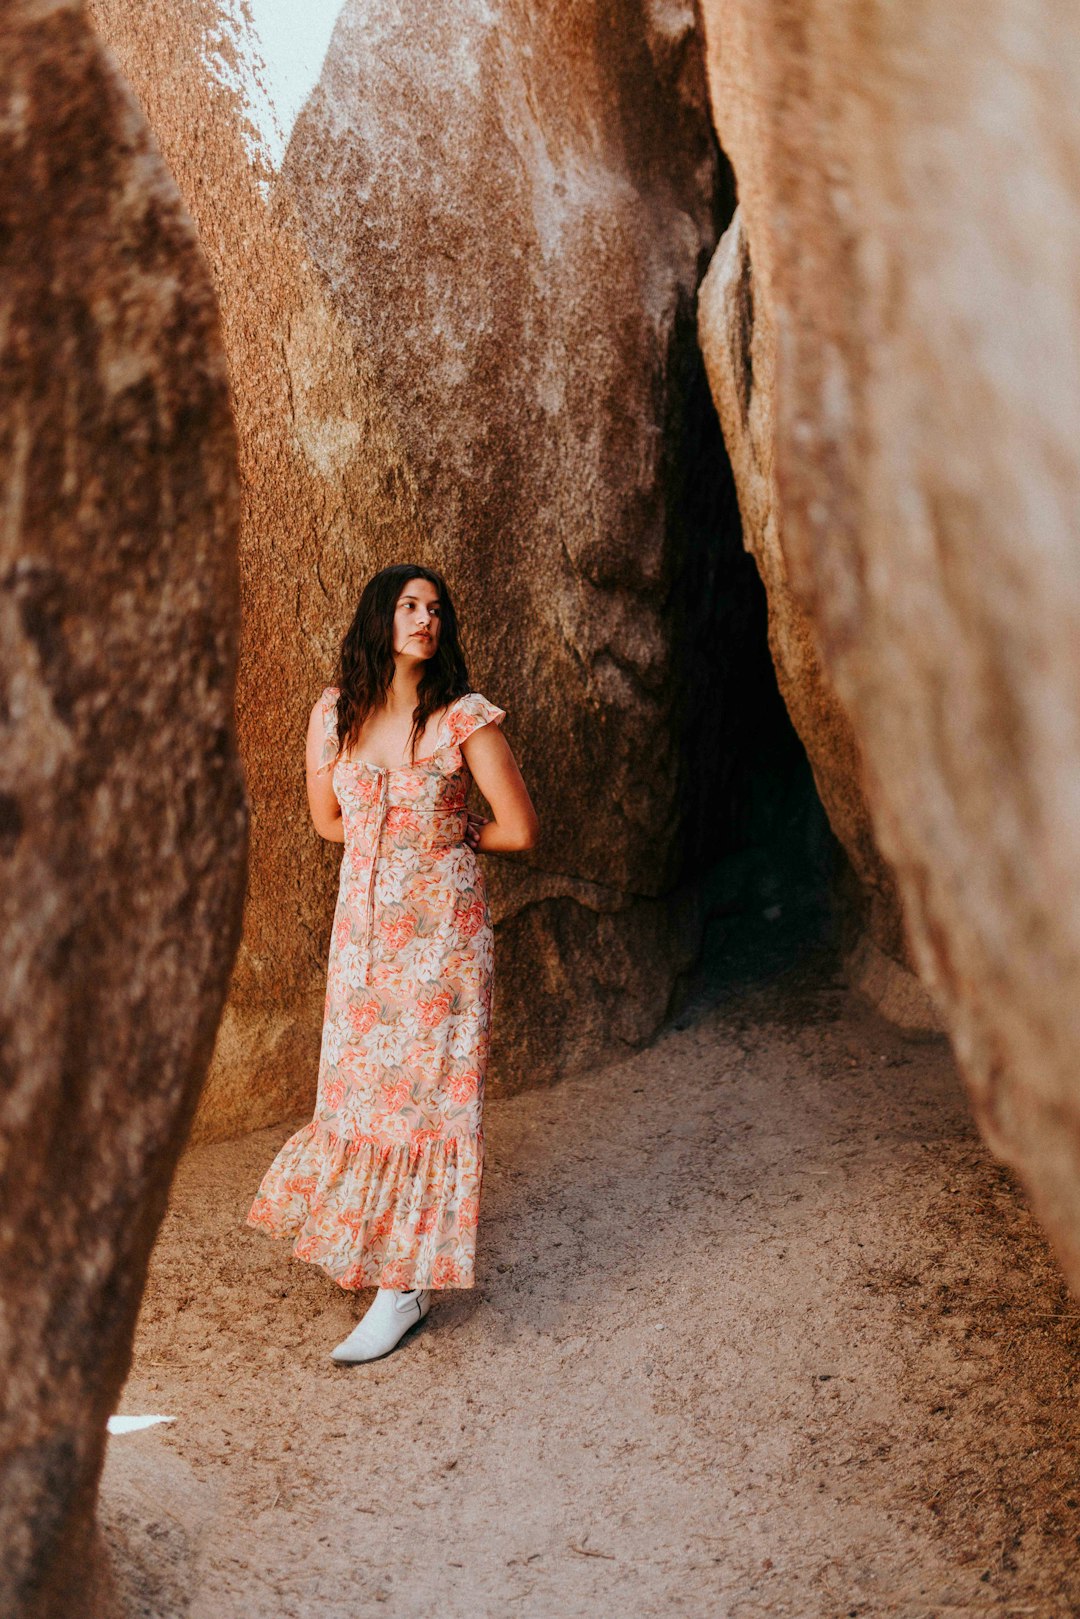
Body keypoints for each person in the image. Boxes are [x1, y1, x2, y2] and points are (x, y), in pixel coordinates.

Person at [245, 564, 538, 1361]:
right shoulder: (333, 713)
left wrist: (457, 836)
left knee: (428, 1102)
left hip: (442, 939)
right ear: (380, 617)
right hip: (364, 936)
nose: (425, 619)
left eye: (436, 609)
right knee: (361, 1089)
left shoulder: (463, 718)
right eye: (409, 606)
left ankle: (403, 1287)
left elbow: (518, 828)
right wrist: (392, 845)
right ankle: (374, 1249)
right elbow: (327, 822)